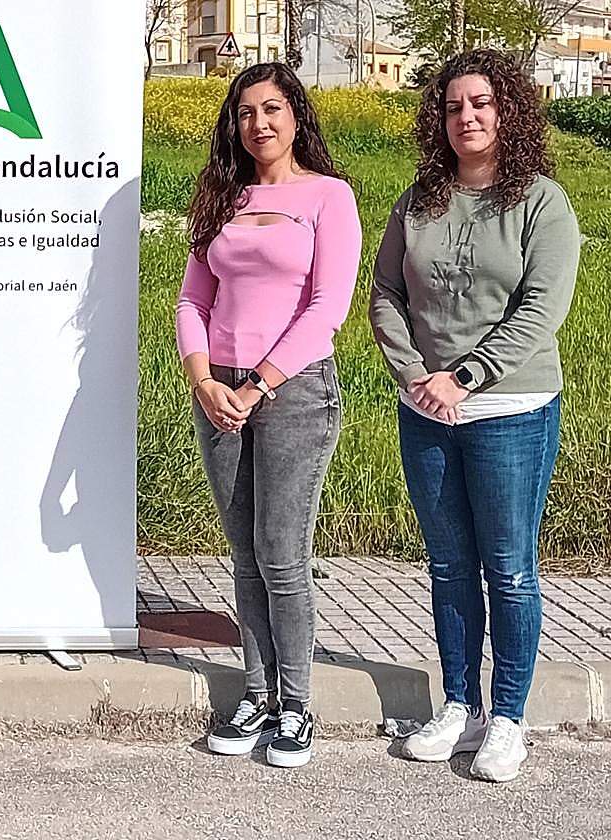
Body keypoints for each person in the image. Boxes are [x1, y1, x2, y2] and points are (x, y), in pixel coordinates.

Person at [369, 49, 580, 782]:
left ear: (508, 110)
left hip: (511, 407)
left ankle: (509, 718)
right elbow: (386, 294)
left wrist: (465, 375)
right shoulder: (418, 199)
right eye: (455, 105)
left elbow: (541, 309)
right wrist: (417, 376)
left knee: (510, 569)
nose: (467, 117)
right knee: (450, 562)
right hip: (425, 408)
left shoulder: (542, 202)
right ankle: (460, 706)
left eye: (482, 103)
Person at [175, 63, 362, 768]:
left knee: (282, 556)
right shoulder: (222, 196)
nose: (259, 123)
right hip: (218, 391)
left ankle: (297, 706)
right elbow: (193, 301)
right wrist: (204, 381)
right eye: (246, 112)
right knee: (246, 556)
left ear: (295, 116)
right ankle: (256, 694)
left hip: (292, 392)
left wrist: (255, 386)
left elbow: (327, 310)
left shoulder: (328, 197)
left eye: (272, 109)